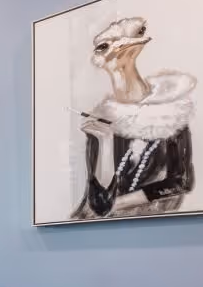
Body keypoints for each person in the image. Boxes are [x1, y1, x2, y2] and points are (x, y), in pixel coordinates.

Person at [73, 16, 196, 220]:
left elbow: (182, 181)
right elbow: (99, 205)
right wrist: (105, 143)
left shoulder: (172, 114)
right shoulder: (102, 124)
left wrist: (119, 203)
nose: (115, 64)